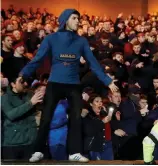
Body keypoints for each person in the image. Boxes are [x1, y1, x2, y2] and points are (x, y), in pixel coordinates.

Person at [18, 9, 118, 163]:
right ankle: (38, 150)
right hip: (55, 83)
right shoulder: (51, 38)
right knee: (46, 118)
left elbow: (93, 63)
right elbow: (37, 59)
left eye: (78, 18)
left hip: (73, 84)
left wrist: (108, 81)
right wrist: (23, 75)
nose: (78, 21)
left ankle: (74, 152)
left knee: (76, 119)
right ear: (65, 20)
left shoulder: (81, 41)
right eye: (74, 18)